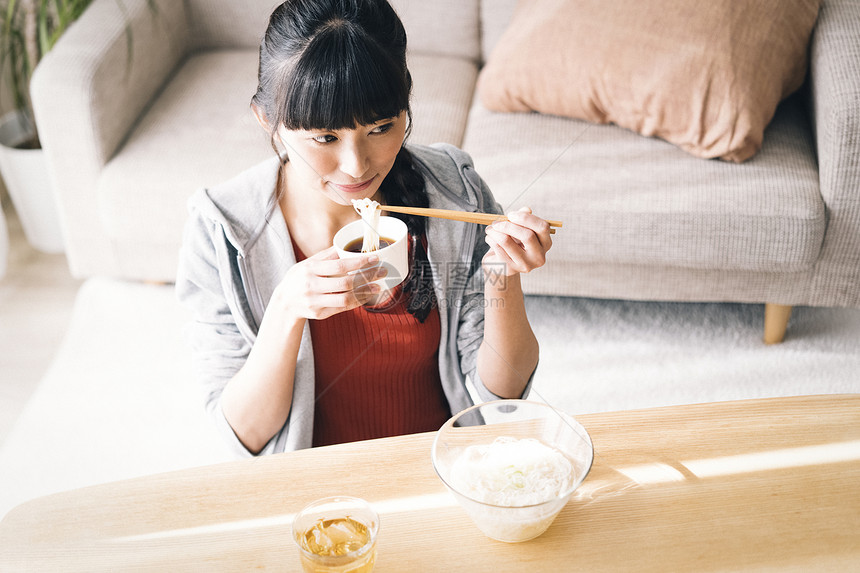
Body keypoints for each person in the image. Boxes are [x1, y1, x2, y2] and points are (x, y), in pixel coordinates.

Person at [175, 0, 552, 457]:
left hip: (442, 468)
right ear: (267, 121)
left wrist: (502, 276)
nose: (356, 166)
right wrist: (286, 310)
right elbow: (244, 438)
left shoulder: (455, 189)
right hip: (317, 493)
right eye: (324, 138)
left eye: (381, 127)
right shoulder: (222, 231)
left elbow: (503, 398)